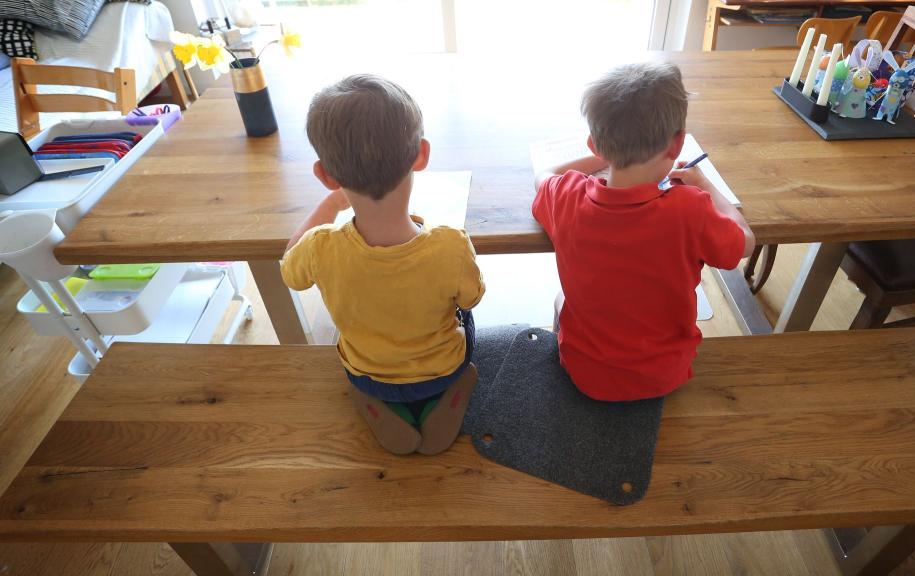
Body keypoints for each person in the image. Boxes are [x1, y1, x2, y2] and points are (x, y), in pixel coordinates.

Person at [282, 74, 484, 455]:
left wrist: (329, 206)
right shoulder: (449, 244)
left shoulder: (320, 247)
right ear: (421, 155)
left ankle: (374, 403)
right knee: (465, 318)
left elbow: (289, 266)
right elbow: (471, 300)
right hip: (443, 370)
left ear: (326, 176)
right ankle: (449, 394)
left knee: (359, 359)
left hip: (370, 374)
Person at [532, 62, 755, 401]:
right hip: (664, 375)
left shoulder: (568, 197)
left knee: (562, 299)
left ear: (594, 145)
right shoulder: (691, 208)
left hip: (584, 373)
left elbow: (544, 173)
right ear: (676, 145)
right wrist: (706, 184)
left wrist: (607, 152)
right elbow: (746, 243)